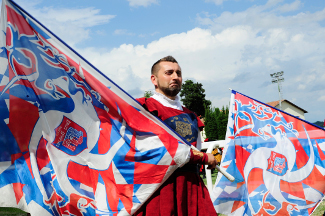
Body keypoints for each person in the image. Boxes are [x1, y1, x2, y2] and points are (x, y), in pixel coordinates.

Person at [135, 56, 218, 216]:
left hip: (191, 187)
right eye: (169, 72)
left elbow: (196, 147)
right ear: (154, 79)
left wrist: (201, 158)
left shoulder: (191, 115)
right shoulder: (145, 108)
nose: (175, 77)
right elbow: (153, 148)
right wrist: (203, 157)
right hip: (159, 188)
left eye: (178, 73)